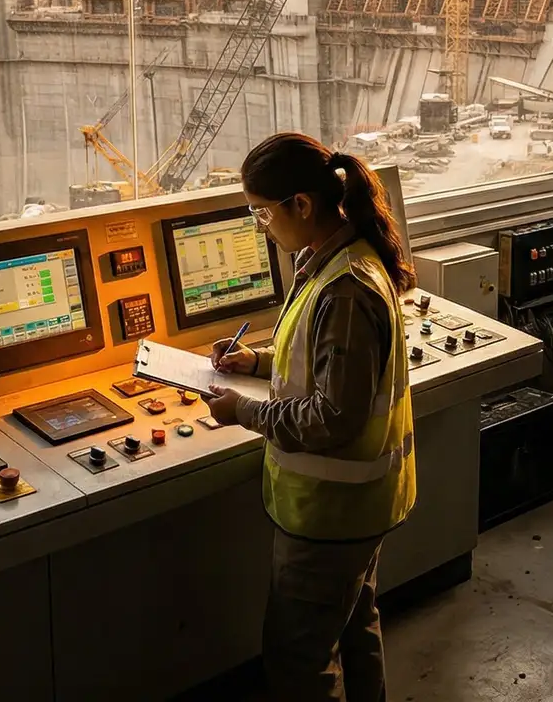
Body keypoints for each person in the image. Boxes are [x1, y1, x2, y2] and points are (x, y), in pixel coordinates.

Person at [202, 132, 416, 702]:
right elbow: (318, 360)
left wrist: (242, 410)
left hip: (332, 515)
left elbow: (333, 416)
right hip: (358, 507)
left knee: (299, 661)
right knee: (353, 628)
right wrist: (256, 360)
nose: (261, 227)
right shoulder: (339, 259)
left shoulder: (344, 288)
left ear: (300, 204)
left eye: (260, 214)